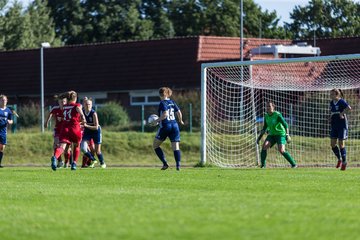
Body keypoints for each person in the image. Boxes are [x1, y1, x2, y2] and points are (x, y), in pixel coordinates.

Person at [51, 91, 86, 171]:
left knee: (62, 147)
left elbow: (65, 117)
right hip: (75, 128)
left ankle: (55, 157)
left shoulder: (65, 107)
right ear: (75, 98)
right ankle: (74, 163)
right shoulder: (78, 105)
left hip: (65, 129)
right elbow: (79, 111)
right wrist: (83, 118)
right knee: (76, 145)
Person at [256, 101, 297, 168]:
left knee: (281, 150)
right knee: (264, 146)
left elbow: (285, 124)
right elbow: (264, 128)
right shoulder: (266, 116)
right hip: (272, 135)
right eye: (267, 106)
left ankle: (294, 164)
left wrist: (287, 134)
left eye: (269, 106)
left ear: (273, 107)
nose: (268, 108)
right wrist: (259, 138)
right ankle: (263, 165)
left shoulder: (277, 115)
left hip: (280, 134)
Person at [152, 87, 184, 170]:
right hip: (175, 125)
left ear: (160, 95)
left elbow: (165, 114)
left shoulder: (162, 103)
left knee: (155, 145)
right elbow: (179, 112)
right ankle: (178, 166)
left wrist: (156, 120)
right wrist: (180, 120)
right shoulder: (172, 102)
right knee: (176, 147)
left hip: (166, 126)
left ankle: (165, 163)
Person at [329, 88, 351, 171]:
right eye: (330, 94)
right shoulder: (331, 102)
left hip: (342, 125)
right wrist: (330, 117)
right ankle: (339, 159)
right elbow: (332, 111)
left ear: (336, 95)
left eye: (332, 94)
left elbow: (349, 108)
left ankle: (344, 162)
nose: (330, 96)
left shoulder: (341, 101)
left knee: (341, 144)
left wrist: (342, 113)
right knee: (332, 144)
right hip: (334, 124)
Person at [81, 97, 106, 168]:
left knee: (97, 151)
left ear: (91, 105)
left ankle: (102, 163)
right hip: (87, 131)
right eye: (86, 104)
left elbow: (96, 127)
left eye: (89, 104)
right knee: (83, 147)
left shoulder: (93, 113)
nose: (87, 106)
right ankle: (93, 159)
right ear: (84, 105)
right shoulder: (82, 112)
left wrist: (86, 125)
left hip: (96, 132)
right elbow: (80, 121)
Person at [45, 95, 67, 168]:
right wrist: (46, 122)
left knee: (66, 149)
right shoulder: (55, 108)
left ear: (66, 102)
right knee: (55, 146)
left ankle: (68, 162)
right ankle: (60, 161)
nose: (63, 103)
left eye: (64, 101)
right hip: (57, 130)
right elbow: (50, 113)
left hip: (66, 130)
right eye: (61, 102)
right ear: (58, 102)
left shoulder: (68, 109)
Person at [0, 95, 13, 168]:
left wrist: (9, 122)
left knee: (2, 148)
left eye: (5, 100)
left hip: (3, 132)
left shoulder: (8, 111)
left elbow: (11, 120)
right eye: (2, 100)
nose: (3, 101)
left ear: (7, 101)